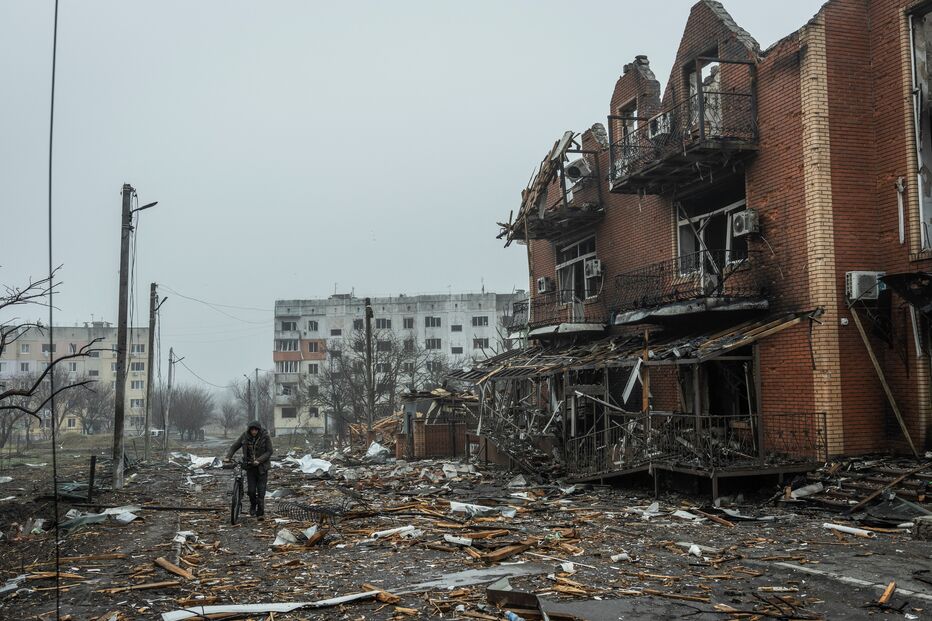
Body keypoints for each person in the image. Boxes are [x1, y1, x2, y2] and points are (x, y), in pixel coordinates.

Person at [224, 420, 273, 519]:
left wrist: (259, 460)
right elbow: (234, 446)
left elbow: (269, 451)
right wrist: (228, 457)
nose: (254, 431)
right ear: (249, 430)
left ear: (259, 430)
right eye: (252, 430)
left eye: (256, 430)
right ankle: (253, 505)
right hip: (250, 467)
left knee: (261, 491)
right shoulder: (245, 436)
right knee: (251, 491)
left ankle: (260, 512)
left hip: (262, 468)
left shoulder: (265, 436)